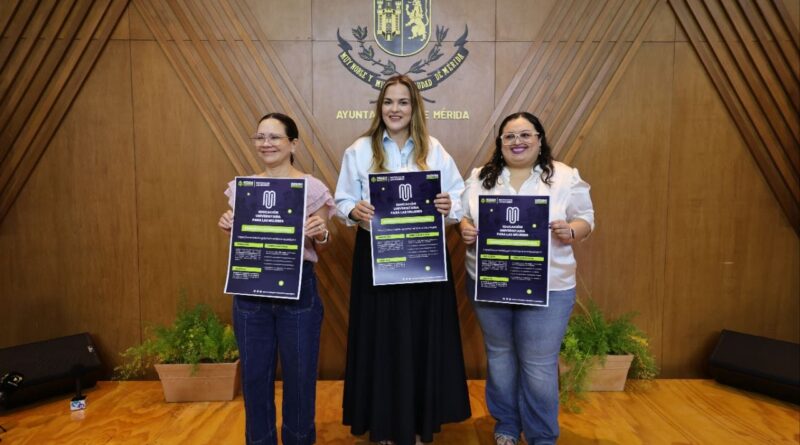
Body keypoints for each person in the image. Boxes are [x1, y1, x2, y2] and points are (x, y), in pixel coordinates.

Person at [335, 74, 471, 445]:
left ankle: (420, 423)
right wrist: (355, 210)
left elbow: (458, 197)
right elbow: (341, 201)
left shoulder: (435, 150)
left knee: (421, 338)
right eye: (389, 102)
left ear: (414, 108)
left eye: (403, 102)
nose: (395, 109)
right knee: (382, 339)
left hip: (424, 256)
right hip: (377, 258)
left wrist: (449, 206)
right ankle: (384, 425)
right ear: (380, 108)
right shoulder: (359, 150)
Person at [459, 112, 595, 445]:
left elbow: (586, 218)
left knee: (538, 364)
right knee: (501, 355)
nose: (517, 142)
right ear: (500, 143)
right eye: (509, 136)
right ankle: (506, 423)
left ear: (539, 138)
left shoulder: (563, 176)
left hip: (548, 286)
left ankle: (542, 436)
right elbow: (462, 216)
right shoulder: (479, 177)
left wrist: (571, 230)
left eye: (525, 135)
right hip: (489, 281)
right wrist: (464, 228)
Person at [218, 112, 334, 445]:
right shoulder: (243, 189)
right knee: (254, 379)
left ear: (293, 143)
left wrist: (321, 233)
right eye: (260, 138)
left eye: (274, 137)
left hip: (299, 294)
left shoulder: (312, 188)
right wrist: (231, 225)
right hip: (250, 296)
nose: (266, 144)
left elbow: (322, 247)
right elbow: (247, 244)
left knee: (300, 378)